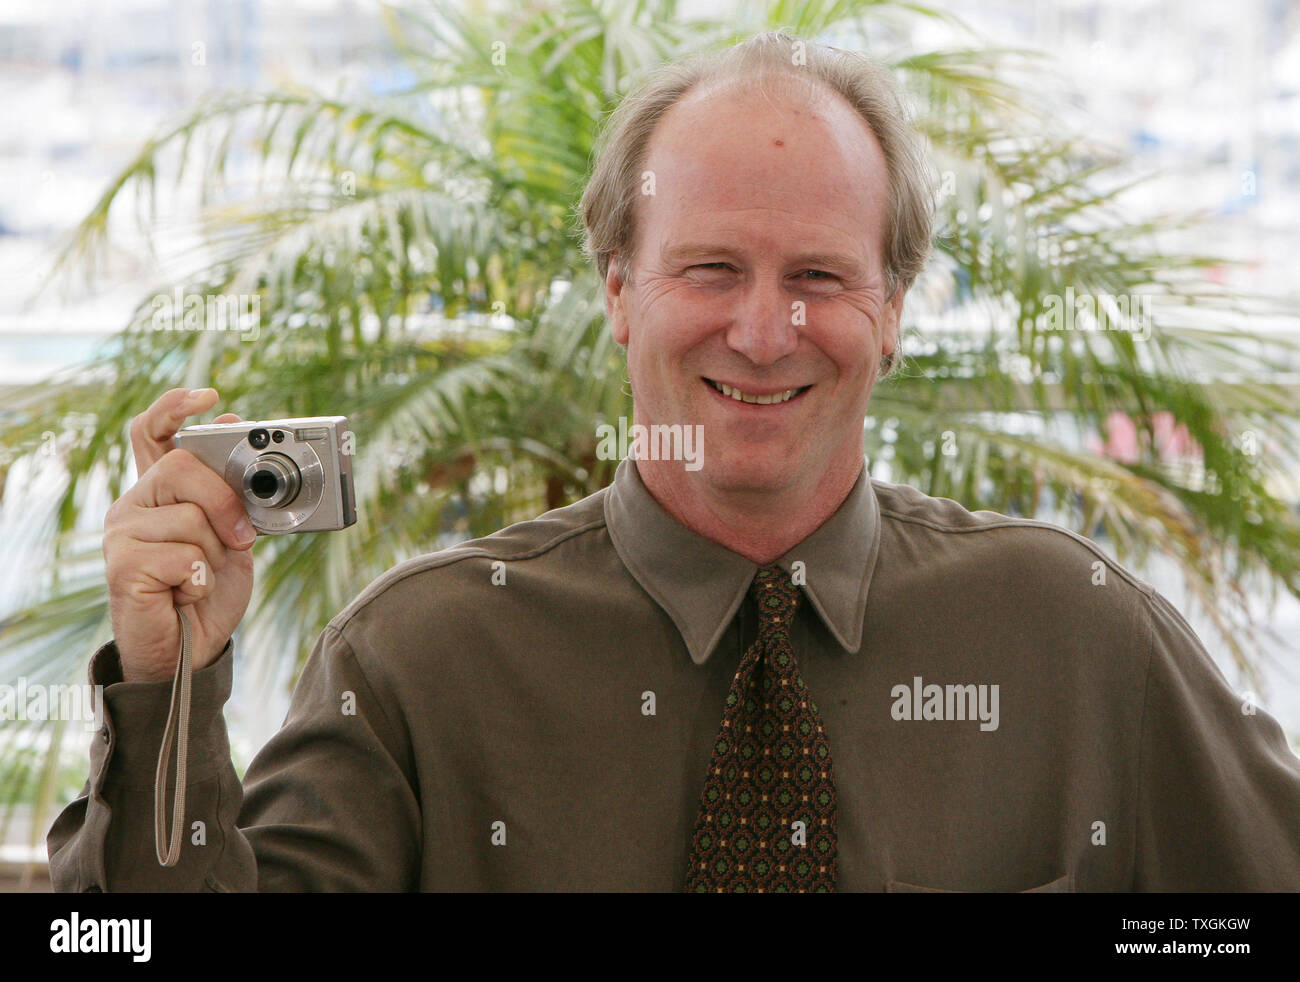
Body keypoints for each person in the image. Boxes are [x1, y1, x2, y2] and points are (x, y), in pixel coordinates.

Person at [48, 31, 1300, 892]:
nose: (764, 332)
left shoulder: (1071, 633)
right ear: (617, 292)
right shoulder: (420, 662)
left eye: (819, 276)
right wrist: (170, 691)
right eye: (710, 270)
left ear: (896, 307)